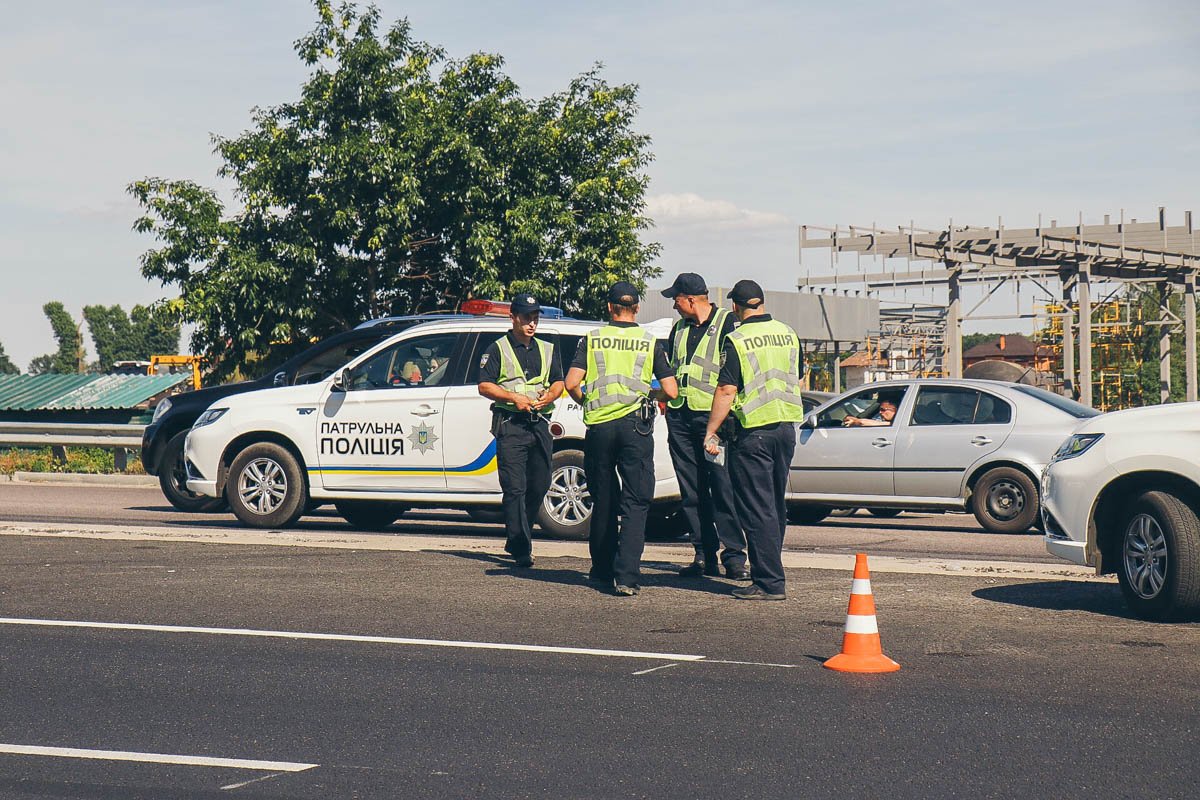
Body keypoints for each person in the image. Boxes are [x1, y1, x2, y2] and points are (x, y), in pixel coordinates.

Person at [565, 282, 678, 596]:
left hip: (600, 427)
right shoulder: (648, 341)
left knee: (603, 501)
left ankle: (601, 570)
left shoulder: (593, 339)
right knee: (636, 501)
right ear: (637, 308)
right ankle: (626, 577)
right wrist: (648, 394)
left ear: (609, 307)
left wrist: (588, 400)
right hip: (635, 429)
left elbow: (572, 382)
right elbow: (671, 391)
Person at [704, 280, 805, 601]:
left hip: (754, 432)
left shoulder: (737, 339)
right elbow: (798, 373)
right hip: (785, 428)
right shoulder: (788, 333)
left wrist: (711, 430)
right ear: (760, 303)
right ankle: (772, 572)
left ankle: (769, 582)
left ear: (735, 306)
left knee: (757, 508)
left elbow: (726, 390)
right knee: (774, 505)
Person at [660, 272, 748, 581]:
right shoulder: (679, 329)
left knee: (723, 489)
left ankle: (735, 557)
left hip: (715, 422)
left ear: (692, 299)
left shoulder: (727, 324)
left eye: (677, 299)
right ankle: (704, 554)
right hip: (681, 418)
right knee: (692, 492)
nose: (674, 305)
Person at [477, 293, 565, 568]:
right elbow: (484, 386)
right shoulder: (497, 348)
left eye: (535, 318)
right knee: (515, 488)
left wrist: (550, 396)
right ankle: (522, 547)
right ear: (513, 317)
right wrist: (513, 398)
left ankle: (516, 537)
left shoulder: (548, 349)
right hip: (511, 425)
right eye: (526, 317)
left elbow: (558, 382)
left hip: (539, 424)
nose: (532, 323)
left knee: (538, 486)